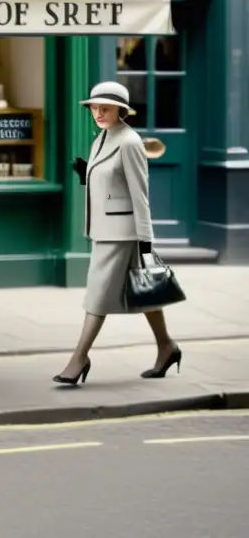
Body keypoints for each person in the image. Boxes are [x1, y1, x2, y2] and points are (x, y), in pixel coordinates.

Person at [54, 81, 184, 386]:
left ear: (121, 111)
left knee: (97, 293)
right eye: (94, 108)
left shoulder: (129, 141)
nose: (98, 113)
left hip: (122, 232)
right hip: (105, 228)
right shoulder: (102, 137)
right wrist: (88, 173)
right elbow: (112, 184)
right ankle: (167, 347)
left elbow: (140, 195)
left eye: (106, 108)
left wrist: (146, 242)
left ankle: (79, 358)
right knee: (146, 292)